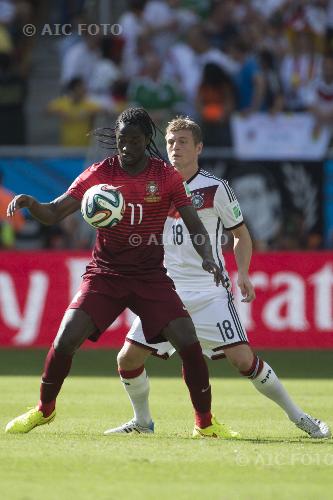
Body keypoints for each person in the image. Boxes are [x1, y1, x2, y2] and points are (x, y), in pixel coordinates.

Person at [5, 107, 228, 438]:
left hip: (150, 276)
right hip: (105, 274)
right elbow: (54, 212)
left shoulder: (166, 177)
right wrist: (30, 202)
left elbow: (194, 223)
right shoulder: (98, 174)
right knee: (66, 339)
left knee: (188, 342)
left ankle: (205, 424)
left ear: (147, 140)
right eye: (122, 140)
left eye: (134, 141)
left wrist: (208, 255)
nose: (126, 147)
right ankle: (44, 410)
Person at [104, 116, 331, 439]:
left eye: (182, 142)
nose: (175, 148)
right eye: (170, 142)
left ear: (199, 147)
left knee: (242, 360)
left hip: (208, 291)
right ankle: (143, 421)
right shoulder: (152, 185)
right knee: (127, 358)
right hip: (165, 292)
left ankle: (300, 418)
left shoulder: (215, 188)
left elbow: (241, 235)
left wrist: (244, 274)